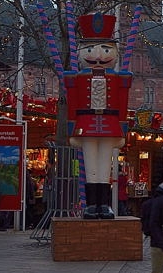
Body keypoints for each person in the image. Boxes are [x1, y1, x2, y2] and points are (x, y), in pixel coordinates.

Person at [64, 12, 131, 219]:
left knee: (106, 167)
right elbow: (72, 104)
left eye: (106, 49)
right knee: (91, 165)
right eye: (90, 49)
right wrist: (71, 130)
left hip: (110, 123)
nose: (99, 56)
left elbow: (122, 104)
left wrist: (123, 130)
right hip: (86, 123)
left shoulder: (118, 78)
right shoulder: (77, 78)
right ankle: (92, 204)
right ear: (81, 51)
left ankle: (104, 204)